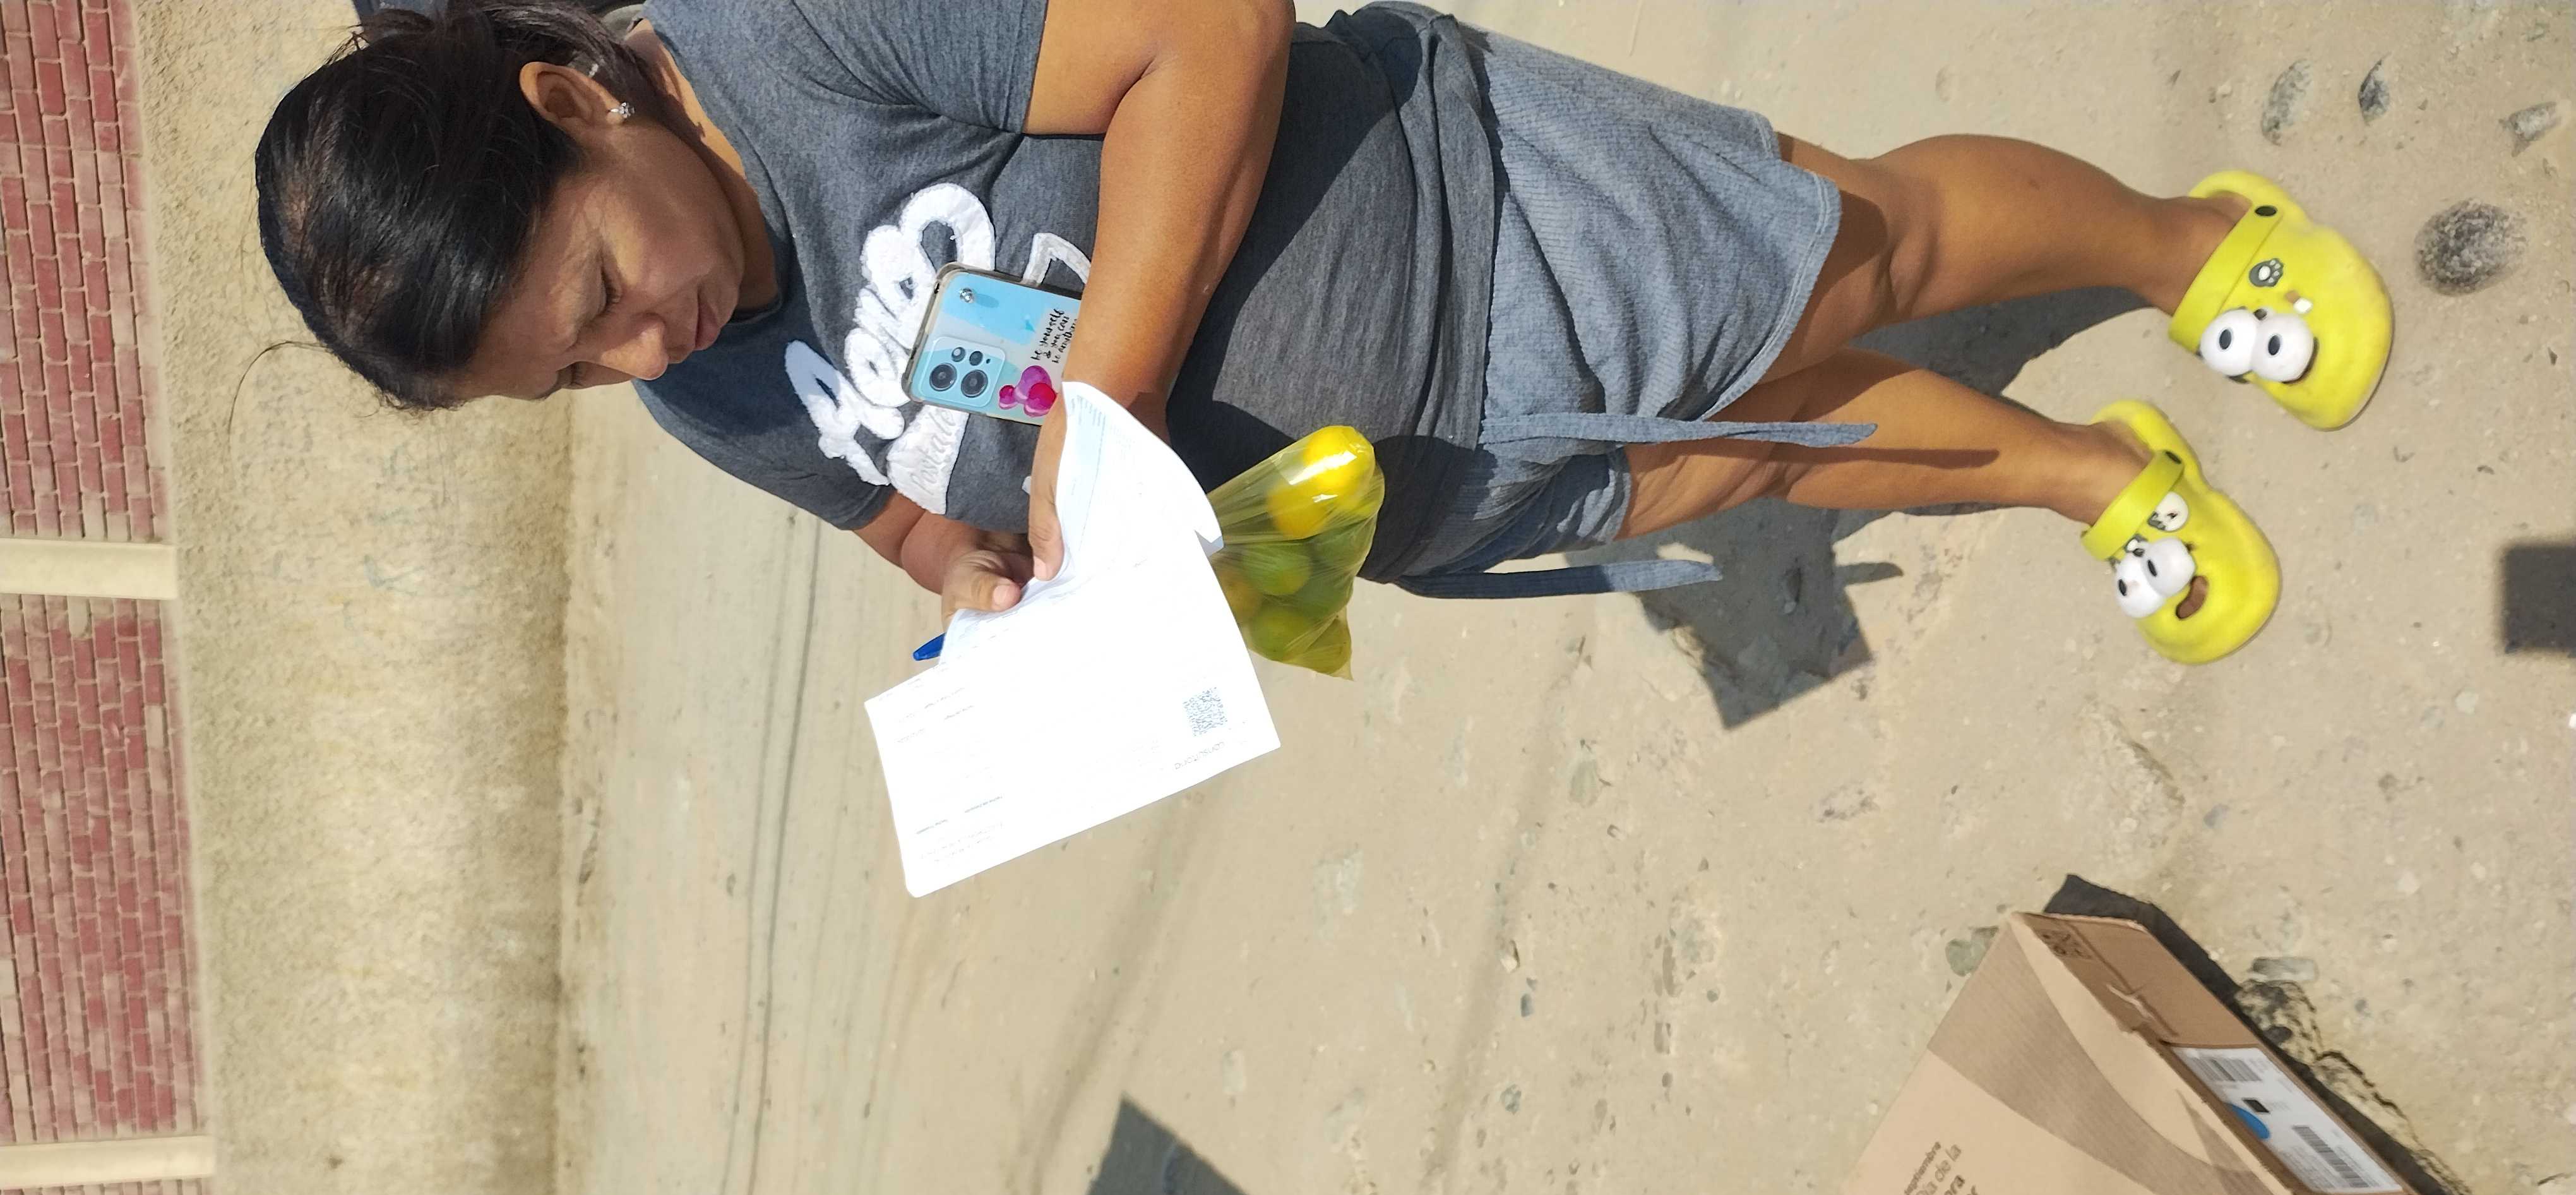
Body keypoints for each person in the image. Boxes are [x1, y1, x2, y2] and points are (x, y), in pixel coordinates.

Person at [258, 0, 2390, 663]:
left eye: (599, 294)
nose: (642, 353)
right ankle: (2085, 472)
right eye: (570, 379)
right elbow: (889, 514)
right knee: (1770, 443)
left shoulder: (800, 36)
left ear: (576, 106)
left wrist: (1095, 406)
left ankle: (2190, 244)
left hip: (1477, 220)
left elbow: (1207, 24)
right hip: (1406, 496)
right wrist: (993, 586)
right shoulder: (707, 394)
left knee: (1864, 258)